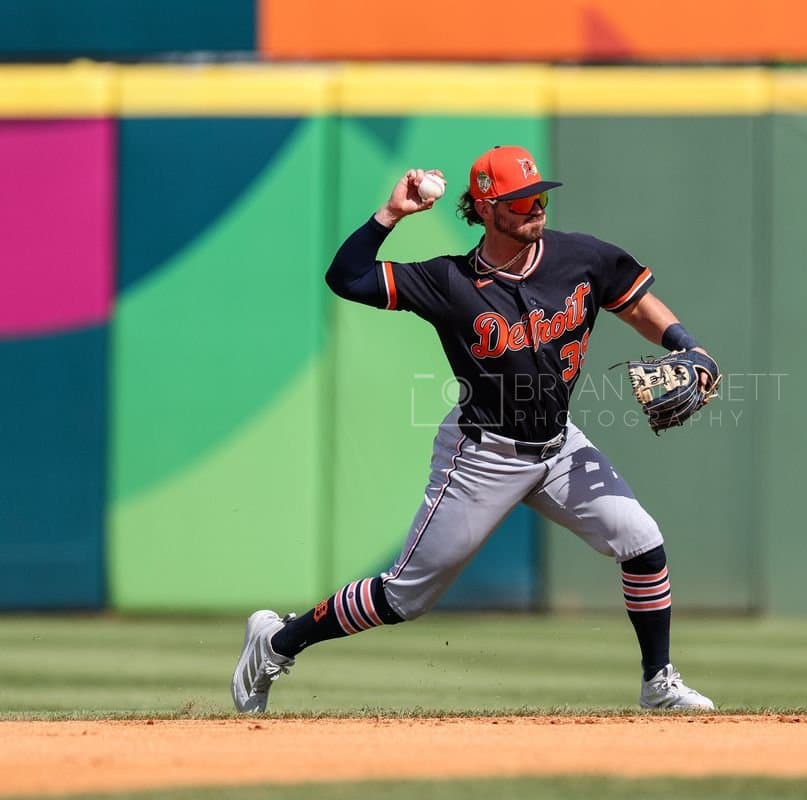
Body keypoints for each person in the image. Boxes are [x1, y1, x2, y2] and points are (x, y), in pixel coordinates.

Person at [231, 145, 718, 712]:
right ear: (486, 210)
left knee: (641, 541)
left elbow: (634, 303)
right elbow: (347, 277)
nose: (535, 207)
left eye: (538, 195)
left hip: (559, 447)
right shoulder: (448, 281)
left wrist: (688, 347)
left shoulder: (580, 257)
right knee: (403, 597)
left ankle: (657, 683)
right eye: (518, 201)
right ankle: (277, 640)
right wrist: (390, 214)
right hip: (483, 454)